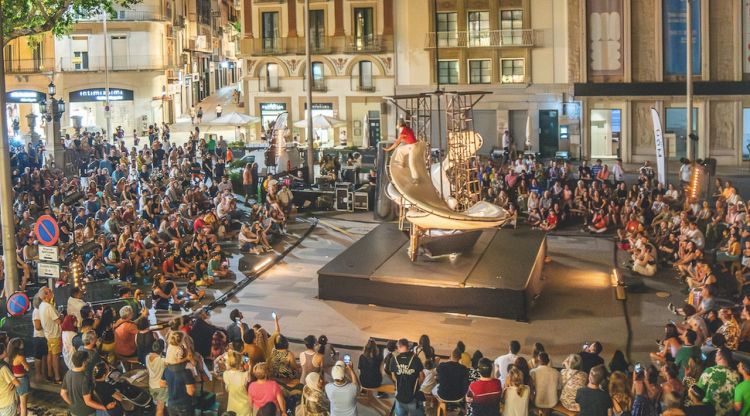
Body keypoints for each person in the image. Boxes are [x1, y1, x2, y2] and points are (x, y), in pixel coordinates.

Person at [61, 350, 111, 416]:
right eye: (87, 359)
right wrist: (105, 408)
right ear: (84, 362)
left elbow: (63, 393)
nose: (88, 361)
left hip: (74, 412)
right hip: (87, 413)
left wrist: (73, 404)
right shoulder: (85, 378)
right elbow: (88, 402)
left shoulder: (68, 373)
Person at [696, 347, 740, 416]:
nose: (715, 357)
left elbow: (698, 391)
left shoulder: (709, 371)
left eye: (716, 354)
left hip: (709, 412)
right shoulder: (736, 375)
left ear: (719, 357)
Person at [388, 338, 425, 416]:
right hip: (413, 396)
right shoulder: (416, 359)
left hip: (399, 395)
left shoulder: (393, 359)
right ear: (408, 346)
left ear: (399, 346)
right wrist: (417, 385)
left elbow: (394, 377)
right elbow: (422, 376)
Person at [38, 287, 62, 383]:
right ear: (46, 295)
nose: (52, 292)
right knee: (55, 356)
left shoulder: (42, 305)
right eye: (49, 291)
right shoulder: (48, 307)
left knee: (50, 354)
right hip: (54, 335)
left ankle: (50, 374)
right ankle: (57, 377)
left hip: (48, 335)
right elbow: (58, 320)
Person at [224, 351, 251, 416]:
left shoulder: (225, 374)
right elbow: (249, 363)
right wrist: (245, 358)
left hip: (232, 406)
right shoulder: (245, 375)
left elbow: (227, 388)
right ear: (240, 362)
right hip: (245, 407)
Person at [8, 338, 29, 416]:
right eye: (21, 343)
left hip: (15, 379)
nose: (23, 344)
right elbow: (27, 368)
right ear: (18, 346)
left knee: (18, 403)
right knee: (24, 405)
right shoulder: (20, 357)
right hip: (22, 380)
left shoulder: (11, 356)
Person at [147, 340, 168, 416]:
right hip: (160, 387)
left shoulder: (147, 357)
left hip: (151, 385)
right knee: (160, 409)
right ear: (162, 349)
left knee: (157, 403)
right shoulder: (163, 361)